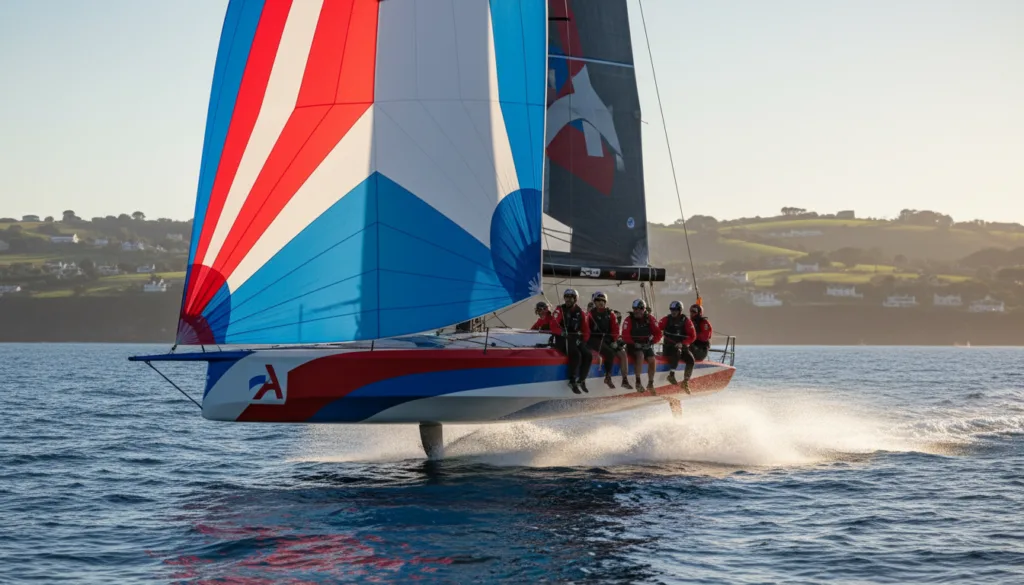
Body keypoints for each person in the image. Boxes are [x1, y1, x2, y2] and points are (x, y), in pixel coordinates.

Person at [550, 288, 593, 394]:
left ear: (575, 299)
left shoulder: (580, 312)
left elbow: (586, 330)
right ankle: (572, 380)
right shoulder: (559, 310)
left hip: (575, 339)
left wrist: (583, 340)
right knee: (576, 354)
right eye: (566, 297)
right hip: (562, 339)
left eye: (571, 298)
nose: (568, 300)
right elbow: (553, 325)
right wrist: (562, 332)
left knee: (588, 355)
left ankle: (582, 380)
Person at [587, 291, 631, 389]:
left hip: (608, 340)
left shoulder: (610, 314)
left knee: (623, 353)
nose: (600, 302)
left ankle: (624, 380)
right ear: (594, 302)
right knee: (609, 353)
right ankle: (608, 377)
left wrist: (615, 341)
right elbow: (585, 329)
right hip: (594, 339)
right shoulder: (590, 314)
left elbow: (615, 329)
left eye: (603, 301)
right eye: (598, 300)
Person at [621, 299, 662, 392]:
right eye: (635, 308)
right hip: (633, 345)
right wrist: (634, 343)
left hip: (646, 344)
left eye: (640, 308)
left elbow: (658, 333)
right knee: (640, 355)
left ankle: (650, 383)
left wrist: (652, 342)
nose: (637, 311)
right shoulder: (628, 320)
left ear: (644, 309)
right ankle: (638, 382)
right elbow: (625, 335)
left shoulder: (650, 319)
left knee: (652, 359)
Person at [658, 300, 696, 393]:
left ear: (680, 310)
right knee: (677, 351)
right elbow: (656, 328)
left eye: (675, 309)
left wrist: (682, 343)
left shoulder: (686, 321)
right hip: (669, 347)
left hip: (682, 346)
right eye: (671, 309)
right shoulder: (666, 319)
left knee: (691, 360)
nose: (673, 311)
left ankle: (685, 382)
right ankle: (671, 374)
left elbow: (693, 336)